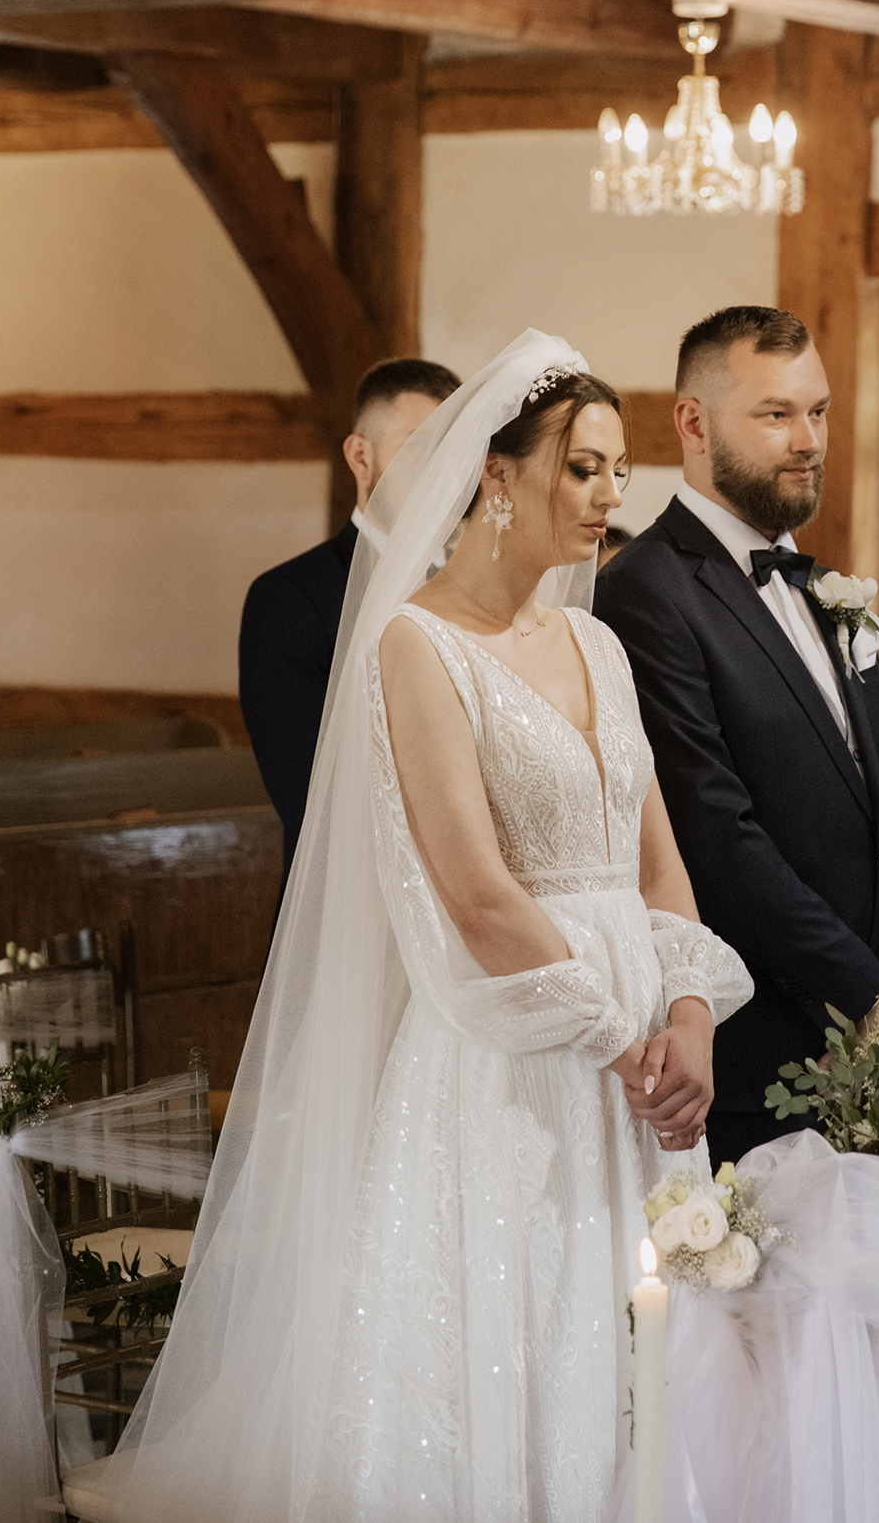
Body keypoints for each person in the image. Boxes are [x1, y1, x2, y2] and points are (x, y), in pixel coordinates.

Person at [65, 331, 751, 1520]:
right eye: (581, 467)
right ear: (498, 474)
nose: (607, 495)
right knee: (508, 1339)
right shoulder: (415, 643)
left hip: (646, 1064)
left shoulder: (599, 644)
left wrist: (686, 1016)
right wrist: (614, 1038)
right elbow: (472, 891)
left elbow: (659, 863)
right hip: (517, 1052)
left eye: (617, 470)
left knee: (642, 1350)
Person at [595, 303, 879, 1167]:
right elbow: (715, 833)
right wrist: (865, 989)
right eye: (776, 414)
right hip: (755, 1057)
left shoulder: (825, 591)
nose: (809, 440)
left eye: (817, 411)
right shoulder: (647, 591)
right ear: (693, 424)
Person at [238, 356, 458, 885]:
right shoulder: (290, 598)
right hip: (353, 896)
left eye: (455, 449)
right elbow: (310, 798)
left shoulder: (478, 590)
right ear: (361, 456)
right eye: (420, 447)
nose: (443, 471)